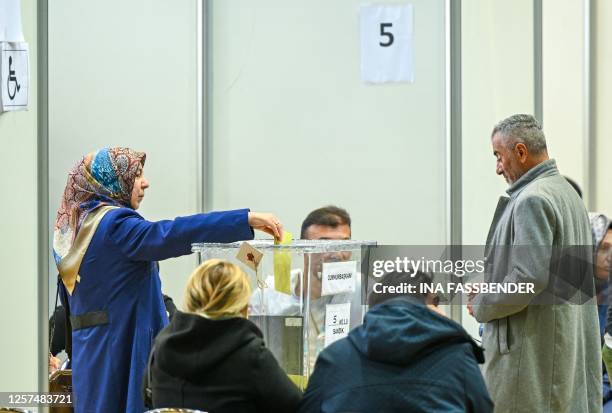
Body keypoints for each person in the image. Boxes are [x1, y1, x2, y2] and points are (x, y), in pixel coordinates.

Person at [53, 147, 284, 413]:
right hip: (121, 351)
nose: (145, 182)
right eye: (136, 174)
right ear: (111, 181)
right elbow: (171, 233)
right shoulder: (114, 225)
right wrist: (244, 219)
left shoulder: (76, 228)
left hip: (90, 352)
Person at [468, 114, 601, 412]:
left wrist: (483, 302)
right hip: (558, 353)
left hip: (531, 365)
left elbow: (528, 278)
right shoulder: (566, 194)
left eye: (499, 157)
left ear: (520, 152)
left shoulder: (533, 199)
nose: (498, 168)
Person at [298, 270, 493, 413]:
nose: (442, 311)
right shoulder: (458, 356)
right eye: (436, 302)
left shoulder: (335, 356)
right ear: (423, 305)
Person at [145, 259, 302, 413]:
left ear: (190, 297)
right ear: (242, 306)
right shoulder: (251, 356)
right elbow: (298, 406)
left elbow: (148, 398)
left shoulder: (161, 347)